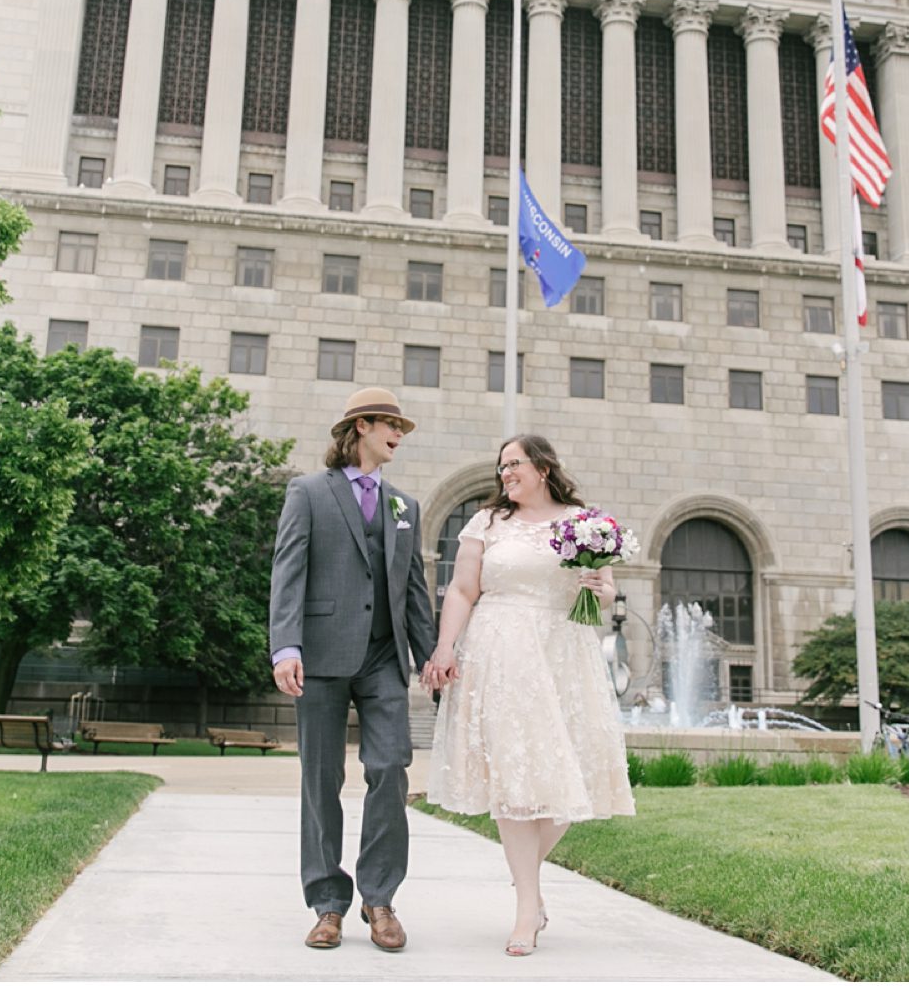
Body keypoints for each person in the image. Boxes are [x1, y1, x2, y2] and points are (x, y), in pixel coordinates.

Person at [421, 434, 635, 956]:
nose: (505, 473)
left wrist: (600, 591)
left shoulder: (583, 522)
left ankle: (527, 884)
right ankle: (526, 911)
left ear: (543, 467)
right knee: (514, 781)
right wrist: (445, 647)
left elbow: (607, 592)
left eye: (513, 463)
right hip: (498, 652)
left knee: (572, 775)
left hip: (564, 654)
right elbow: (463, 590)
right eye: (501, 467)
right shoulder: (486, 523)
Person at [268, 388, 437, 953]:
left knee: (390, 768)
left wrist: (430, 657)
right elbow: (288, 571)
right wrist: (285, 647)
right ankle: (327, 904)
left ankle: (379, 898)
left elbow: (414, 590)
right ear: (361, 426)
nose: (399, 435)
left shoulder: (404, 506)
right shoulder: (309, 492)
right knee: (321, 778)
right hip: (319, 655)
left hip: (384, 657)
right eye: (392, 425)